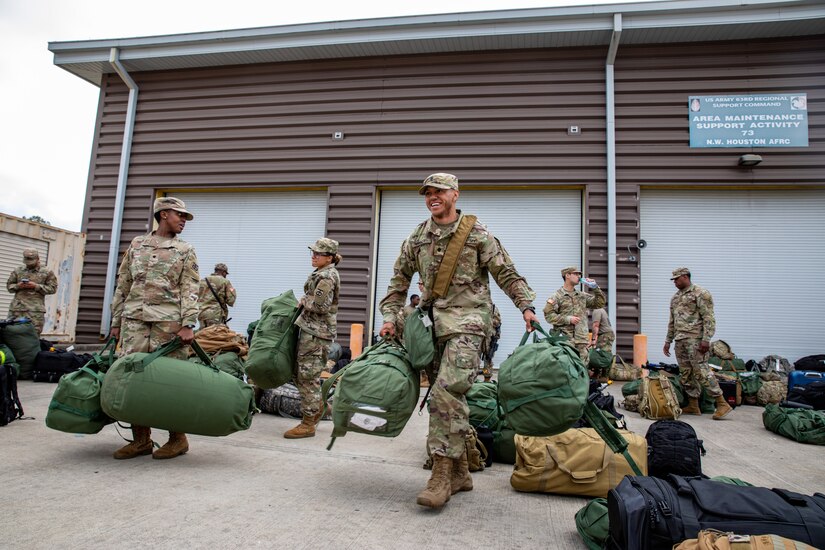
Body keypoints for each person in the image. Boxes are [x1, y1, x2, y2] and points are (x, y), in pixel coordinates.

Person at [378, 172, 538, 509]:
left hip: (469, 322)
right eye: (427, 193)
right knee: (451, 401)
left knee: (445, 393)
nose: (432, 197)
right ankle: (462, 471)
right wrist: (391, 319)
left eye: (438, 192)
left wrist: (526, 306)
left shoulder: (477, 233)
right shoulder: (417, 237)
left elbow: (505, 271)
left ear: (455, 194)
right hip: (430, 326)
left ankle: (440, 473)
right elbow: (397, 282)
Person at [109, 197, 200, 459]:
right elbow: (124, 284)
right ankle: (141, 440)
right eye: (179, 215)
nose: (183, 220)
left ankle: (177, 438)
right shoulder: (138, 245)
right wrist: (116, 322)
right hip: (134, 322)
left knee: (170, 382)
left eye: (184, 217)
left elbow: (190, 288)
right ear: (163, 214)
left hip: (168, 325)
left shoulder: (185, 250)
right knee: (132, 379)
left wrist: (188, 324)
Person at [284, 237, 341, 439]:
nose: (314, 256)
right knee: (301, 374)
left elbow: (320, 306)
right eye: (313, 252)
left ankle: (308, 423)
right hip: (312, 331)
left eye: (319, 253)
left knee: (308, 377)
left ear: (329, 257)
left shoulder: (326, 276)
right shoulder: (321, 273)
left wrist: (304, 300)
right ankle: (317, 408)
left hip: (317, 334)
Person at [663, 267, 731, 420]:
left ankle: (721, 403)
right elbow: (672, 322)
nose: (674, 282)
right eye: (673, 279)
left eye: (677, 279)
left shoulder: (701, 293)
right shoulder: (675, 298)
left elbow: (708, 318)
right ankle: (693, 405)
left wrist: (706, 339)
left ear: (686, 277)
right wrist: (668, 341)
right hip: (680, 340)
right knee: (686, 373)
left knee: (701, 371)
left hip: (695, 339)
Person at [544, 267, 605, 364]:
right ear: (567, 275)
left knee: (582, 370)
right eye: (576, 274)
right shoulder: (557, 296)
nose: (579, 276)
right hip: (565, 340)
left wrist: (595, 288)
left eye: (579, 274)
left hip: (581, 341)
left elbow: (599, 303)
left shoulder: (581, 296)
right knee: (566, 368)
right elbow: (549, 316)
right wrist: (567, 319)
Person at [6, 249, 57, 335]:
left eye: (32, 261)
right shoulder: (18, 271)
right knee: (10, 334)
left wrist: (36, 286)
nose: (29, 264)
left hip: (35, 311)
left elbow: (52, 289)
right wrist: (18, 286)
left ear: (38, 259)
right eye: (27, 261)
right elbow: (9, 287)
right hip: (17, 309)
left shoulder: (47, 272)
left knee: (33, 335)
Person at [197, 263, 236, 328]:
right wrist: (233, 291)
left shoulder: (203, 281)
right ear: (223, 272)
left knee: (203, 335)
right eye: (226, 273)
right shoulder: (225, 281)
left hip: (202, 313)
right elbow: (231, 301)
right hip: (215, 315)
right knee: (215, 336)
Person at [480, 303, 501, 382]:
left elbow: (497, 324)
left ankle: (487, 378)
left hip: (489, 337)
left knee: (488, 358)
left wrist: (495, 337)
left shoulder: (493, 308)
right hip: (479, 335)